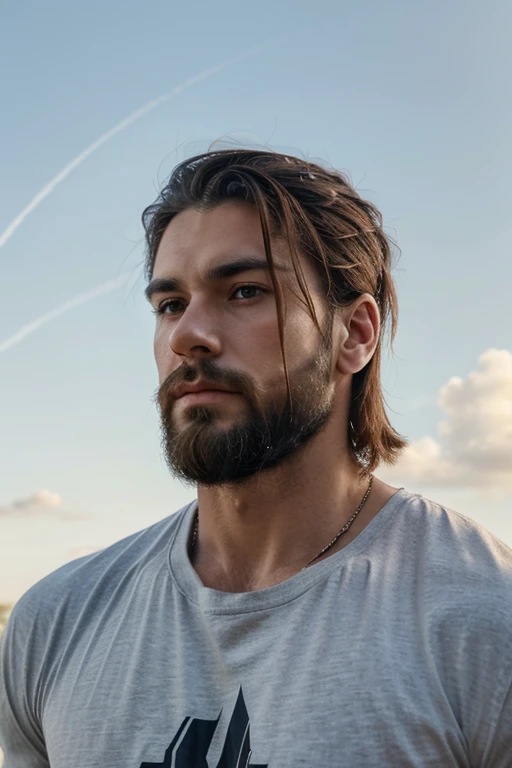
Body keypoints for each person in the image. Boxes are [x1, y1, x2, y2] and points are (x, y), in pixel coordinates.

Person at [1, 148, 511, 768]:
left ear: (355, 334)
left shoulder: (484, 619)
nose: (189, 334)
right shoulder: (54, 623)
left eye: (244, 291)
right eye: (169, 304)